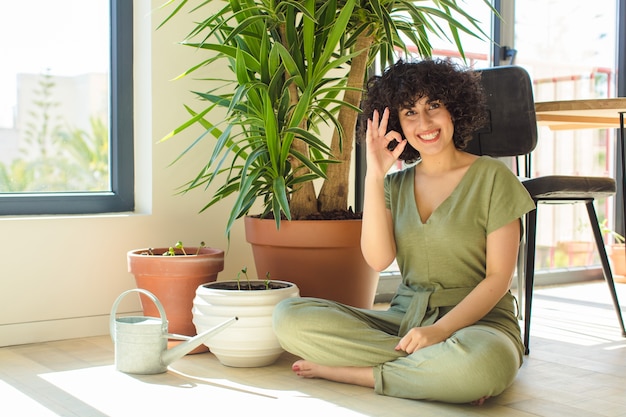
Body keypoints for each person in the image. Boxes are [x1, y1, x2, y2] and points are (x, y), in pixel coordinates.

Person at [272, 59, 535, 405]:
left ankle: (360, 373)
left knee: (481, 364)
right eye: (410, 112)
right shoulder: (393, 185)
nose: (424, 122)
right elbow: (379, 260)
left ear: (454, 108)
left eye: (434, 106)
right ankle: (437, 372)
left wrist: (440, 331)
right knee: (288, 318)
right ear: (396, 122)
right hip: (405, 321)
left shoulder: (494, 178)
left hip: (482, 325)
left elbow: (498, 279)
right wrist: (375, 175)